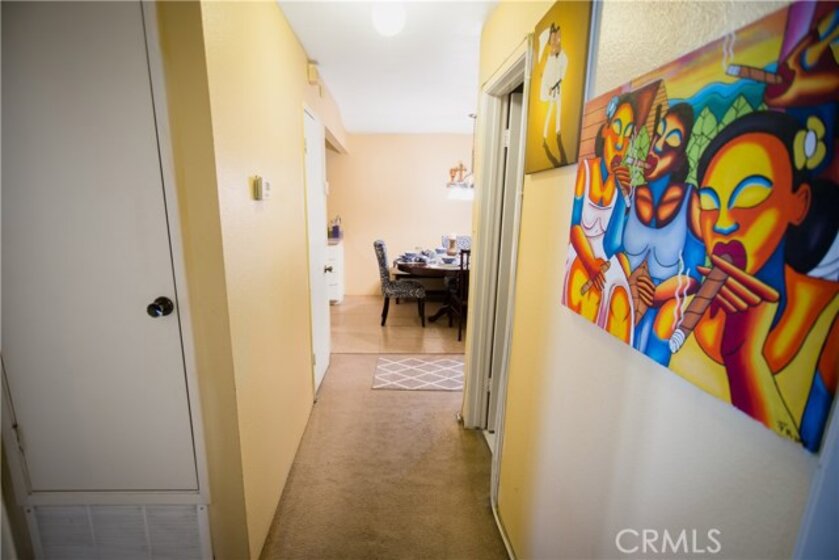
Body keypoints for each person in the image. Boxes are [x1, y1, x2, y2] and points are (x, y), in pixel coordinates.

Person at [692, 111, 838, 451]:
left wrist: (745, 359)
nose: (723, 222)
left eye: (749, 196)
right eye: (710, 203)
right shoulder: (681, 310)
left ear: (799, 203)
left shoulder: (824, 329)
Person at [607, 103, 705, 366]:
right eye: (658, 135)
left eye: (671, 142)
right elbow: (611, 247)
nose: (658, 146)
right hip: (619, 302)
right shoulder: (635, 192)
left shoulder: (690, 200)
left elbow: (695, 274)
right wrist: (621, 196)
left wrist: (659, 293)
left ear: (680, 159)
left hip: (658, 312)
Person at [562, 95, 636, 343]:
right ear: (606, 129)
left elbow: (612, 243)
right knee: (585, 293)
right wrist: (589, 262)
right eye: (617, 129)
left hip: (604, 255)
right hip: (580, 249)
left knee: (620, 298)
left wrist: (624, 199)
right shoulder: (585, 170)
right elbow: (574, 225)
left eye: (628, 134)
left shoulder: (621, 184)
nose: (620, 141)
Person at [539, 23, 569, 165]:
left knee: (557, 109)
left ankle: (556, 132)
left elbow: (561, 75)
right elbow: (547, 74)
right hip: (553, 89)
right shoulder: (551, 57)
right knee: (551, 110)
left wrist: (555, 86)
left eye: (556, 37)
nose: (555, 40)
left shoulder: (562, 57)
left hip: (557, 89)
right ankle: (546, 135)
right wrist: (549, 86)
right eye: (553, 38)